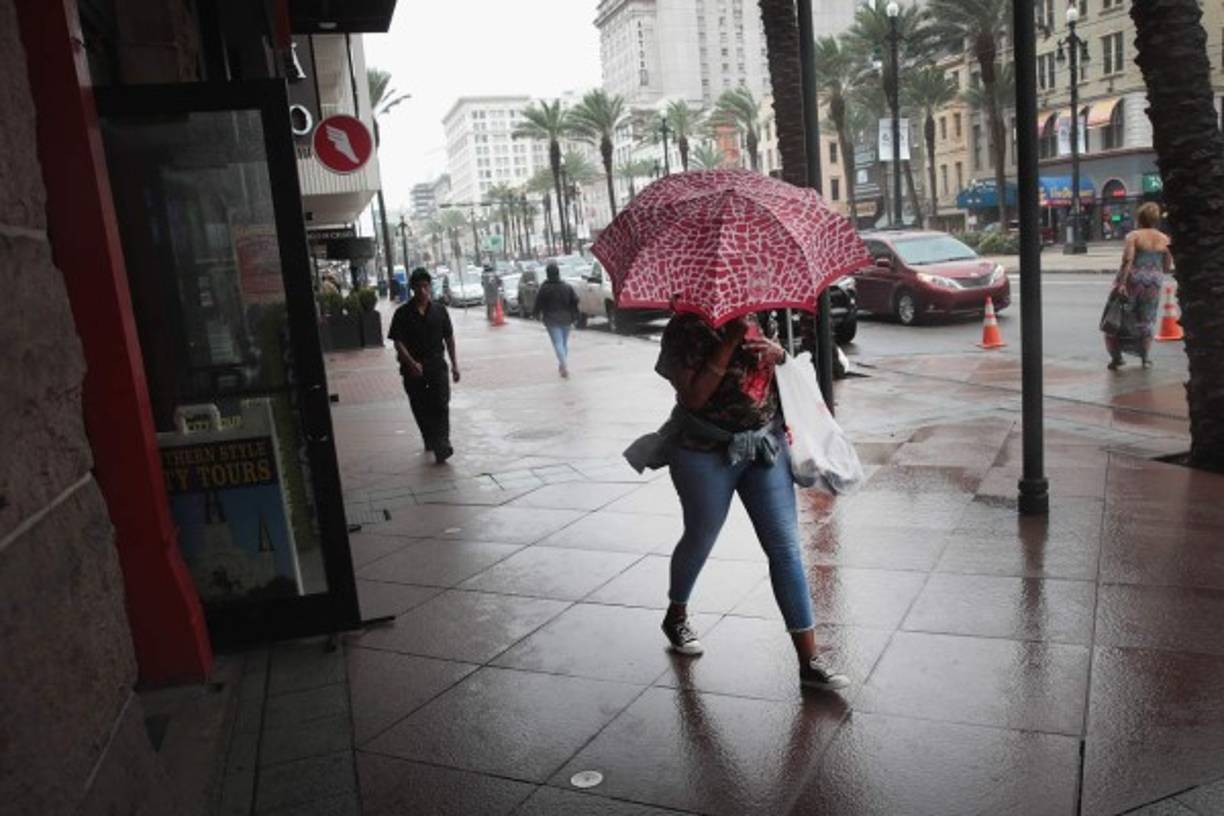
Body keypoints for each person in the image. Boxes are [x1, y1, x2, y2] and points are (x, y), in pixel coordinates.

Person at [635, 310, 850, 692]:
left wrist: (777, 354)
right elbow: (694, 397)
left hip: (764, 447)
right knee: (700, 536)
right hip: (703, 452)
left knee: (785, 549)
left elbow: (774, 370)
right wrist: (729, 341)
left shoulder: (756, 313)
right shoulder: (684, 327)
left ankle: (809, 661)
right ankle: (676, 613)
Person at [387, 268, 461, 463]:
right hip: (413, 369)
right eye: (418, 286)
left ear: (430, 287)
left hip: (437, 364)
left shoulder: (440, 310)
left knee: (441, 403)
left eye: (425, 286)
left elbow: (449, 338)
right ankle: (429, 438)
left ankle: (442, 444)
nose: (422, 290)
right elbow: (397, 341)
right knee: (420, 406)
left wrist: (454, 365)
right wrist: (411, 363)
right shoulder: (402, 313)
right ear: (412, 288)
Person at [1104, 202, 1172, 370]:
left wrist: (1121, 283)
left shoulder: (1133, 236)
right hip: (1154, 283)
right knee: (1147, 320)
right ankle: (1145, 358)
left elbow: (1128, 260)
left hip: (1133, 280)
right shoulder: (1164, 239)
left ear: (1139, 217)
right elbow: (1167, 266)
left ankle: (1116, 358)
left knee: (1117, 318)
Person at [532, 262, 580, 378]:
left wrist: (536, 314)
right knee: (563, 343)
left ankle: (563, 365)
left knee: (558, 343)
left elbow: (538, 303)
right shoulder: (567, 287)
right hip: (566, 319)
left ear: (547, 274)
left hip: (551, 320)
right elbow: (575, 300)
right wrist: (575, 316)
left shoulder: (544, 288)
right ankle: (562, 365)